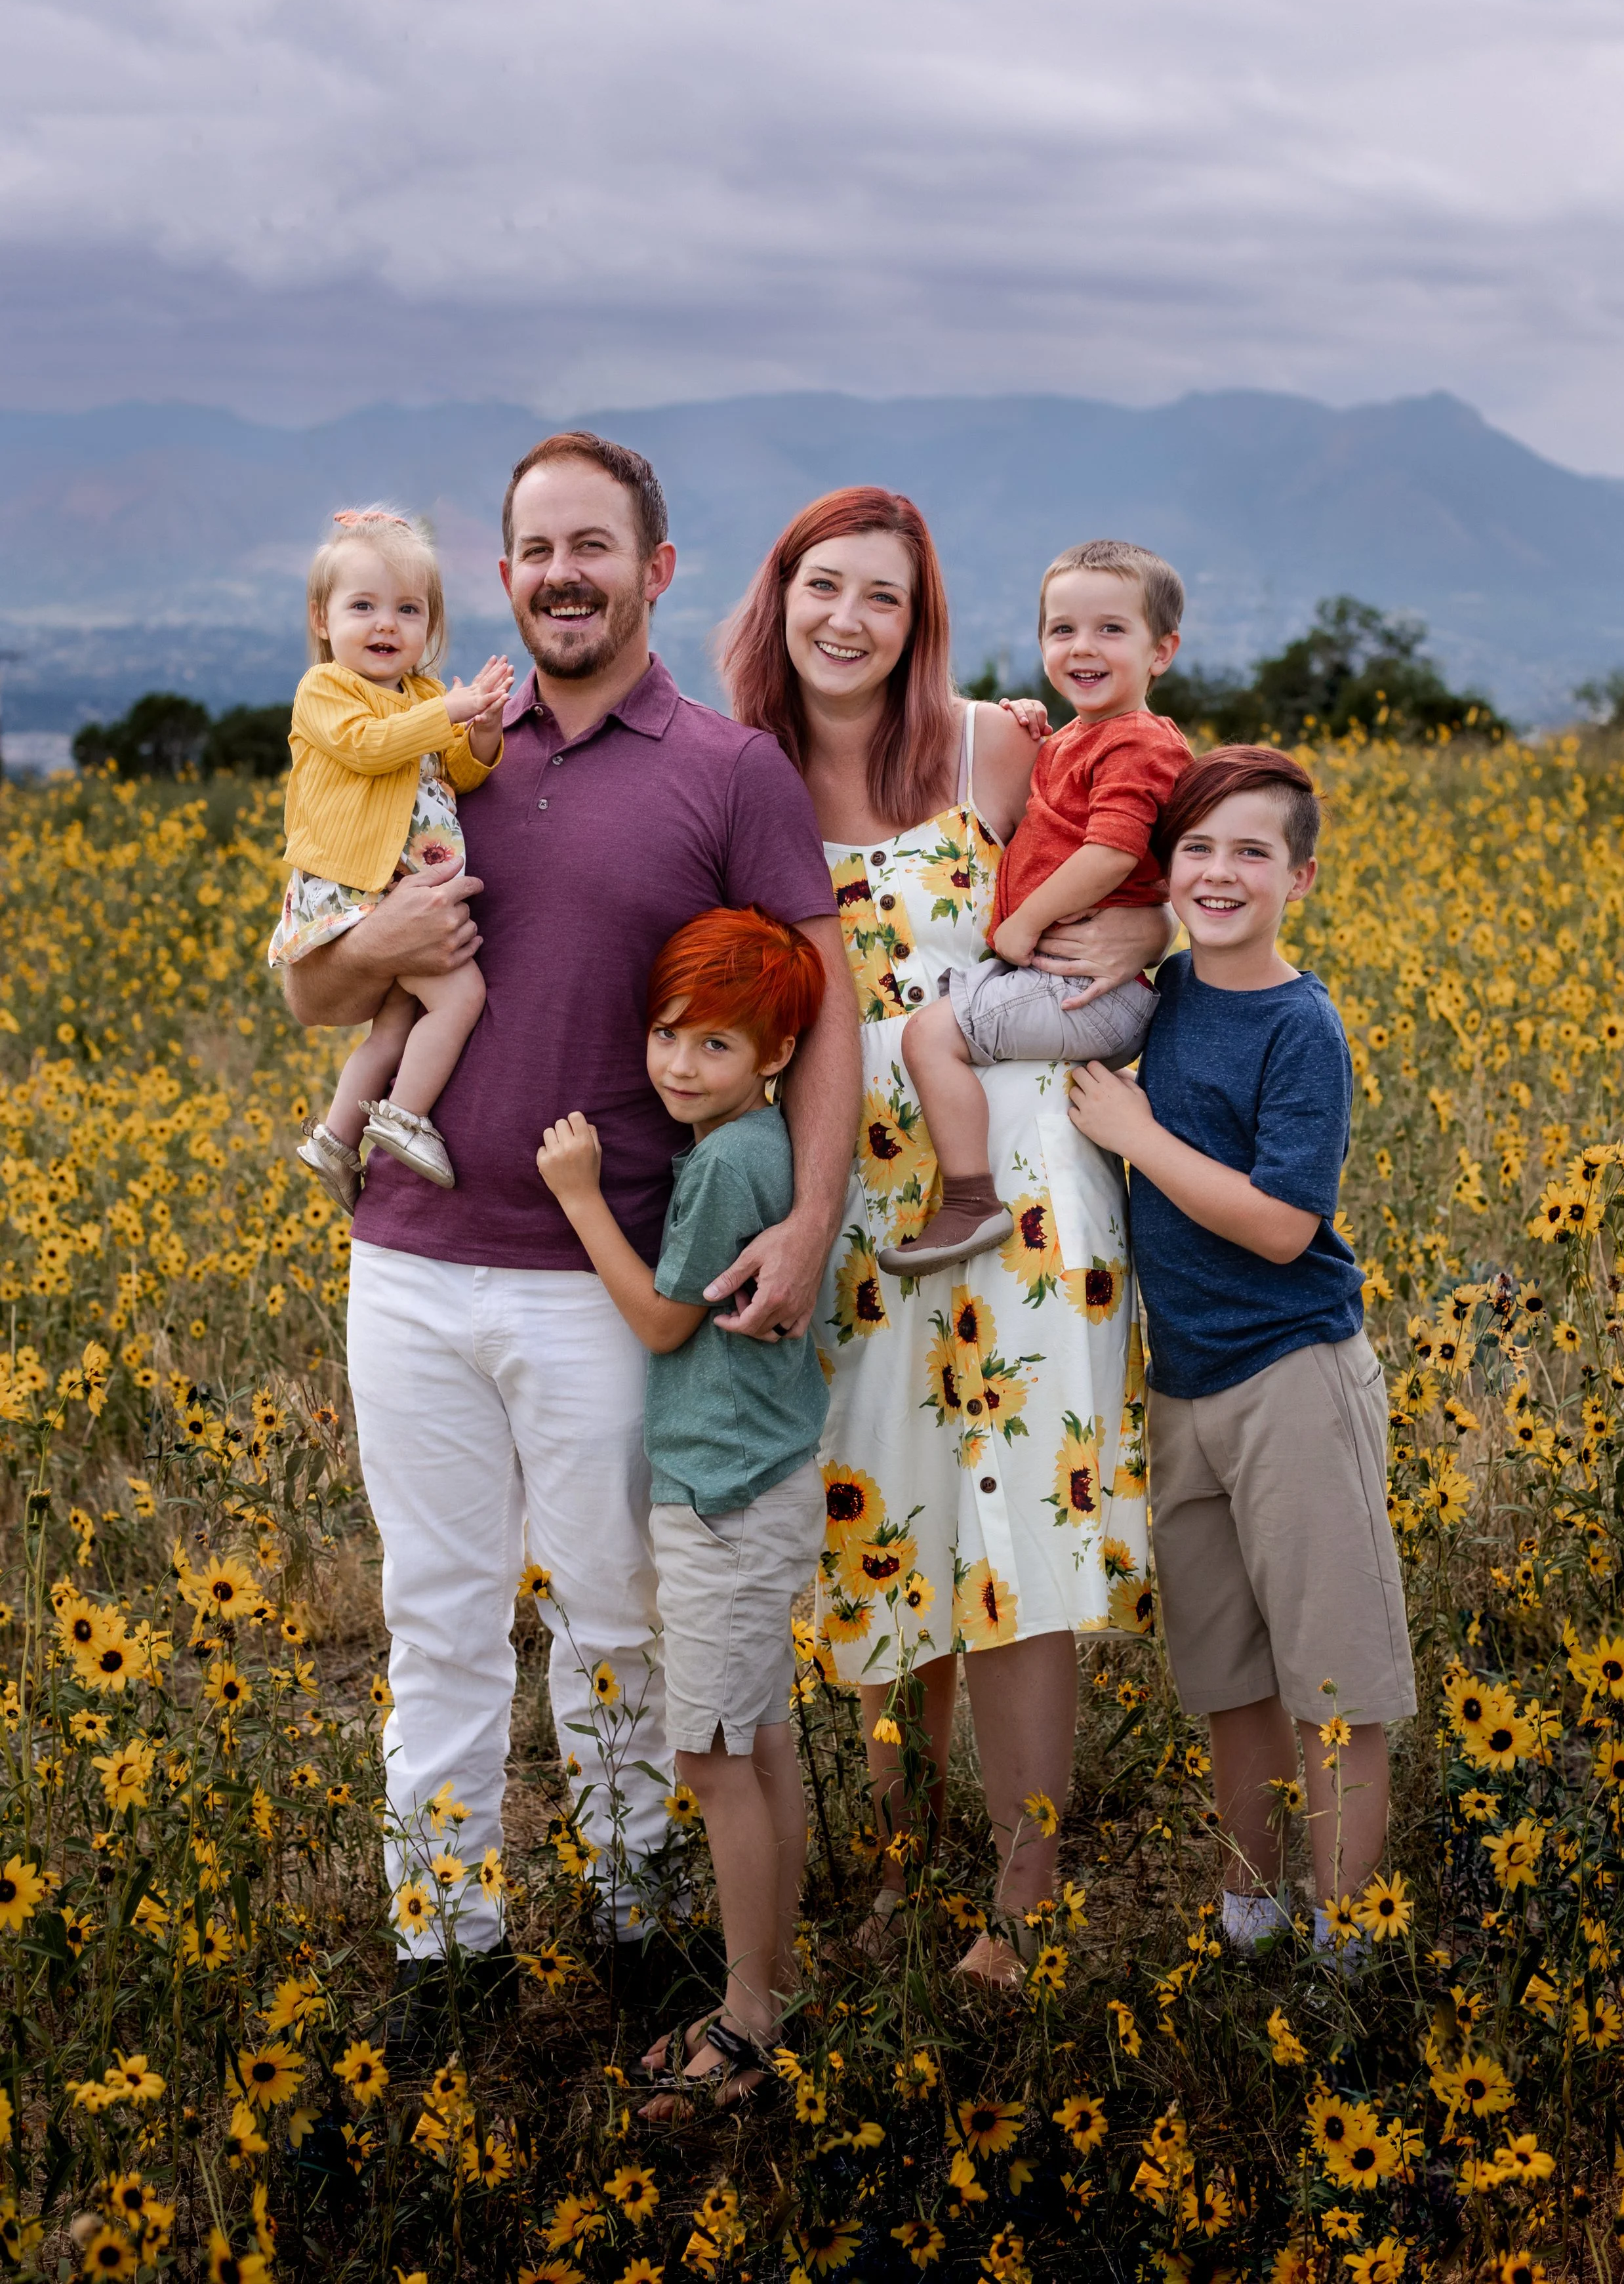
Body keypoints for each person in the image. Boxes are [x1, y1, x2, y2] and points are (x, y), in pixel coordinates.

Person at [279, 433, 858, 2052]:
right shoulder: (439, 747)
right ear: (507, 571)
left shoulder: (729, 766)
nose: (561, 574)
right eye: (534, 548)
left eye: (592, 546)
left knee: (614, 1609)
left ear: (656, 569)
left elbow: (825, 1012)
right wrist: (366, 946)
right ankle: (443, 1940)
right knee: (438, 1610)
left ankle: (635, 1915)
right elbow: (312, 984)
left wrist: (814, 1215)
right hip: (404, 1254)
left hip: (608, 1276)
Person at [720, 487, 1169, 1985]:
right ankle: (905, 1831)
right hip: (844, 1191)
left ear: (924, 626)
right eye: (824, 586)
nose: (850, 620)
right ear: (777, 598)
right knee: (888, 1499)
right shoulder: (735, 779)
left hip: (1017, 1181)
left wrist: (1147, 936)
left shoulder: (987, 744)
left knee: (1013, 1520)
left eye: (887, 598)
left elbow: (1153, 839)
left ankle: (1025, 1888)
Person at [1066, 744, 1416, 1967]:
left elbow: (1283, 1224)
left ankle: (1344, 1945)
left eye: (1251, 852)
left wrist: (1138, 1133)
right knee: (1228, 1677)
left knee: (1337, 1679)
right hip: (1185, 1386)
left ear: (1300, 878)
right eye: (1197, 848)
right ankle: (1249, 1909)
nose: (1219, 873)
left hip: (1293, 1377)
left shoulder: (1298, 1025)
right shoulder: (1160, 992)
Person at [537, 906, 829, 2115]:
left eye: (716, 1044)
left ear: (774, 1058)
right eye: (668, 1034)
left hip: (719, 1497)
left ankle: (749, 2021)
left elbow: (666, 1323)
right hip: (763, 1481)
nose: (677, 1064)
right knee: (758, 1743)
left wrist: (579, 1197)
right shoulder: (768, 1150)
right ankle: (778, 1982)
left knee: (711, 1760)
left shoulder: (724, 1165)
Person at [882, 539, 1192, 1273]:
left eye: (1111, 629)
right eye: (1062, 630)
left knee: (930, 1038)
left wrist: (1020, 924)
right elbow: (1064, 815)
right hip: (1075, 988)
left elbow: (1113, 851)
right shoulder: (1084, 738)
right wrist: (1034, 721)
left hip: (1082, 989)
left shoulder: (1140, 743)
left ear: (1162, 651)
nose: (1082, 646)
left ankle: (968, 1204)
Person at [270, 508, 514, 1209]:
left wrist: (483, 733)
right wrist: (451, 711)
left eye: (408, 609)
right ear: (322, 618)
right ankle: (404, 1118)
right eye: (363, 606)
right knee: (461, 996)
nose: (386, 625)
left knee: (400, 1020)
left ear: (430, 625)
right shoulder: (326, 692)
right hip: (357, 888)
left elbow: (457, 777)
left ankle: (337, 1136)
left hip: (398, 887)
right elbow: (370, 747)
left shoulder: (426, 697)